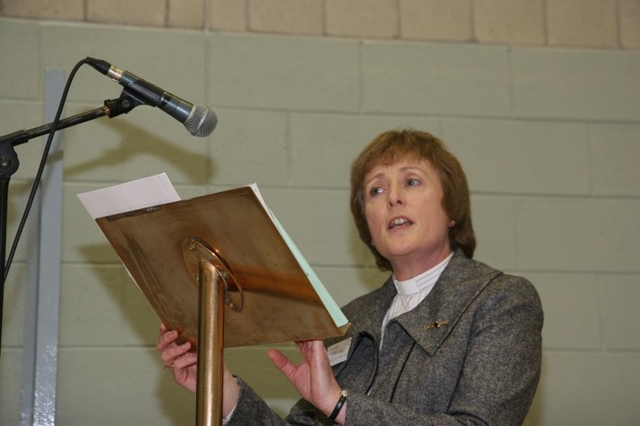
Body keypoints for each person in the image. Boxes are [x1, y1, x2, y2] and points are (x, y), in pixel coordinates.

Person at [157, 129, 543, 425]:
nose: (392, 198)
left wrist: (342, 404)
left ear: (451, 208)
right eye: (376, 190)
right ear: (368, 226)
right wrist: (222, 391)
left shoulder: (502, 301)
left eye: (411, 182)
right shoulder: (347, 320)